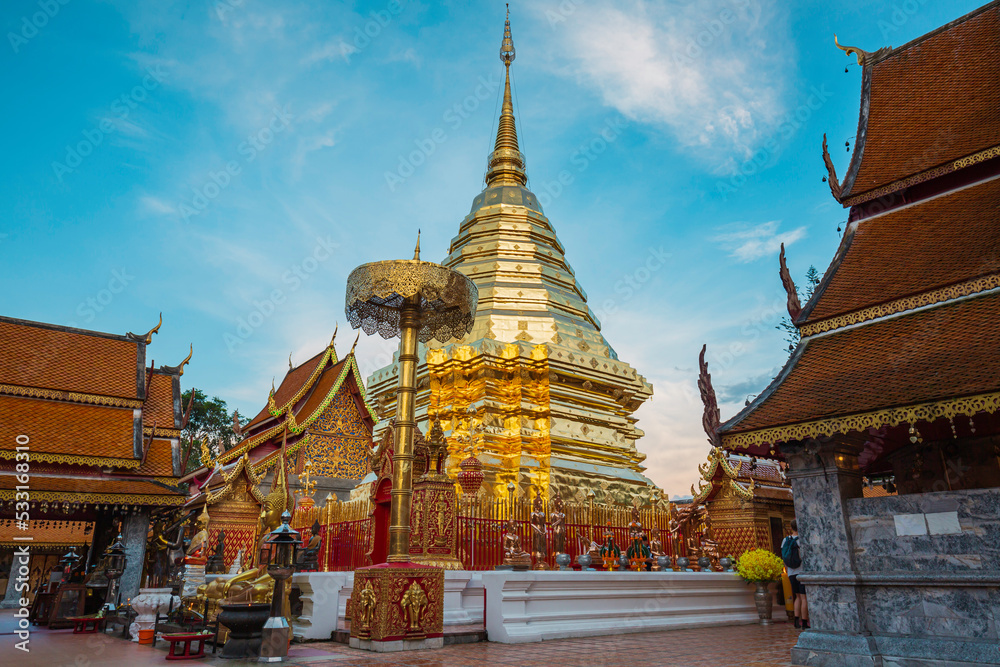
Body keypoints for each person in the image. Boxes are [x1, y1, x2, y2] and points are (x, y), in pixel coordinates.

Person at [781, 519, 809, 629]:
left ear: (791, 527)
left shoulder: (785, 540)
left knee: (797, 597)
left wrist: (788, 570)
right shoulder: (802, 540)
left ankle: (796, 621)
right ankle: (805, 623)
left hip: (791, 573)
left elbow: (784, 557)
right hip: (802, 571)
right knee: (804, 598)